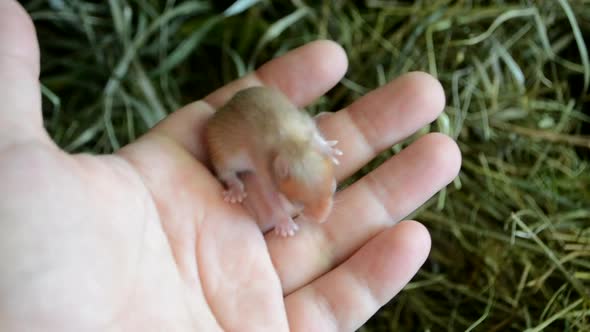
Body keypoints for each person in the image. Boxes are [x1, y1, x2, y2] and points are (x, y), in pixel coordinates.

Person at [0, 1, 461, 331]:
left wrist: (319, 156)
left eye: (324, 195)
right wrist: (269, 207)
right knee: (233, 165)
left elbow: (310, 131)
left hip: (276, 124)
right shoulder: (267, 163)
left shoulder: (304, 139)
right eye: (301, 200)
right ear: (279, 172)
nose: (318, 211)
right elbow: (263, 191)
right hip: (233, 133)